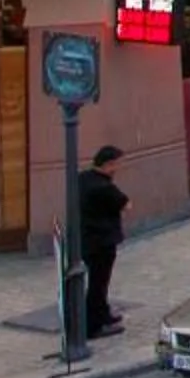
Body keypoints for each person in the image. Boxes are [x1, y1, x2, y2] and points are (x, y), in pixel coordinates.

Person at [76, 144, 127, 339]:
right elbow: (126, 204)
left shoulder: (83, 179)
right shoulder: (104, 187)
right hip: (101, 242)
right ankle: (94, 326)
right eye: (116, 165)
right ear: (108, 164)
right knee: (98, 284)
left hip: (87, 239)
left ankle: (103, 314)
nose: (117, 169)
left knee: (99, 283)